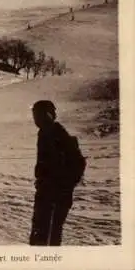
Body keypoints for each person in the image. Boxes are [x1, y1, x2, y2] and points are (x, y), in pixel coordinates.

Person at [29, 100, 84, 246]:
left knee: (47, 236)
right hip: (46, 193)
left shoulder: (56, 133)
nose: (35, 119)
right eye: (34, 115)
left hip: (55, 196)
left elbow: (78, 163)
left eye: (38, 115)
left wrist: (63, 187)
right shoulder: (45, 132)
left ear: (48, 115)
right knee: (42, 233)